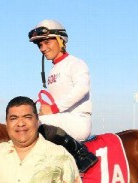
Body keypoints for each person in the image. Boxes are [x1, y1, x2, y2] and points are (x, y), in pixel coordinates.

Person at [28, 19, 98, 173]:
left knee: (32, 124)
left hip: (77, 121)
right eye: (40, 45)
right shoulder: (53, 70)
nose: (43, 48)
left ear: (60, 40)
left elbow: (82, 88)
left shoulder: (76, 63)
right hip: (61, 120)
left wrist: (53, 108)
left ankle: (82, 154)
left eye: (46, 42)